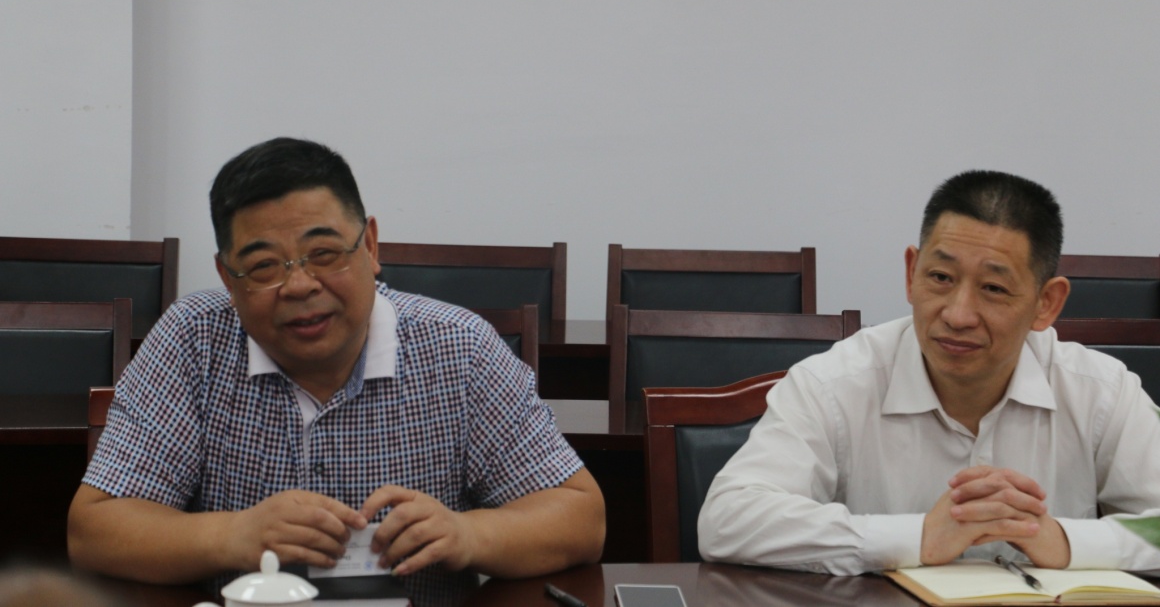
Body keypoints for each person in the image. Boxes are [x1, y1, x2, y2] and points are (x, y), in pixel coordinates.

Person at [68, 137, 605, 605]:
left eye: (323, 254)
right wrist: (233, 536)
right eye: (263, 266)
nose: (300, 286)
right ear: (227, 278)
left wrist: (468, 535)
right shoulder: (193, 340)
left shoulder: (459, 348)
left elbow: (580, 518)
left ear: (369, 246)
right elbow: (95, 529)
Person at [699, 170, 1160, 574]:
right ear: (911, 272)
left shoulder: (1102, 391)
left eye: (993, 288)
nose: (958, 315)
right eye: (940, 278)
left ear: (1047, 303)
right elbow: (728, 520)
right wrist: (918, 537)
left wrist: (1063, 542)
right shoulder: (831, 384)